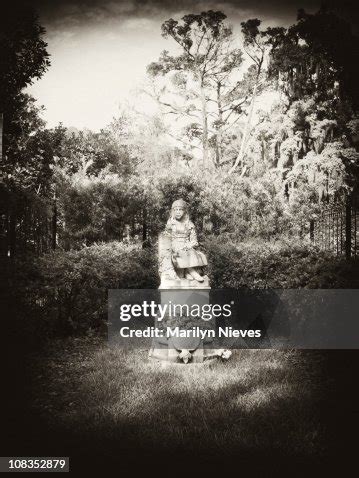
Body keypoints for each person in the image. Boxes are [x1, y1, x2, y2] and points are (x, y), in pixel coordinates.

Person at [159, 199, 208, 282]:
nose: (178, 212)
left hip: (187, 246)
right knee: (181, 252)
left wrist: (190, 244)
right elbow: (166, 239)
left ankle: (187, 272)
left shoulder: (189, 224)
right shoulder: (170, 224)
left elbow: (194, 241)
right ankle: (191, 271)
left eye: (180, 209)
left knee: (191, 252)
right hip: (174, 247)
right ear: (173, 211)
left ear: (185, 211)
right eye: (176, 210)